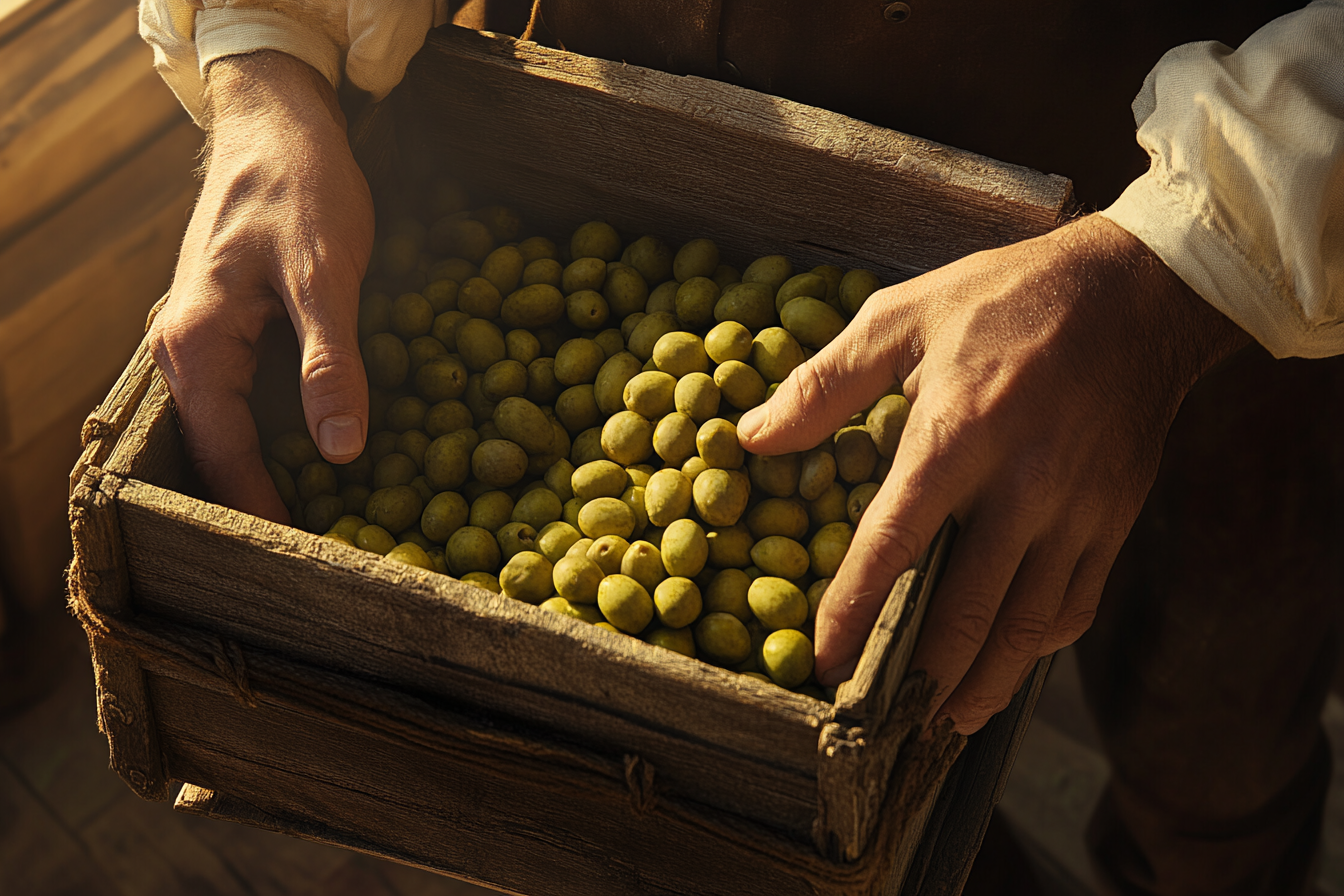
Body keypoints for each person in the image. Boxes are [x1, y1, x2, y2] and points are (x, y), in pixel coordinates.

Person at [137, 2, 1344, 892]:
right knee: (863, 800)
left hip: (1203, 229)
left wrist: (1184, 264)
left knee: (1216, 750)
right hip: (640, 70)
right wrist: (267, 58)